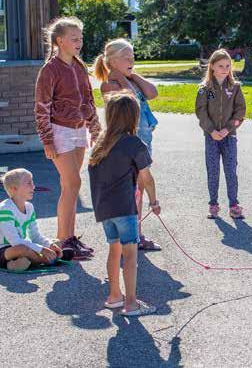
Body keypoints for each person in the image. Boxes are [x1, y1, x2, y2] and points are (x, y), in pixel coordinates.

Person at [34, 17, 101, 259]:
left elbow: (88, 99)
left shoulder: (79, 66)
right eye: (74, 39)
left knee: (70, 186)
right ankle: (63, 240)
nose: (79, 42)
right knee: (73, 183)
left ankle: (70, 238)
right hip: (59, 130)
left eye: (81, 38)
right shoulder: (49, 70)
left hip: (78, 130)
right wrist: (47, 140)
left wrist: (94, 126)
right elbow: (41, 107)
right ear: (59, 41)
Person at [88, 92, 161, 316]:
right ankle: (131, 303)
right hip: (124, 208)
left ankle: (114, 296)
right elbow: (146, 178)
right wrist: (153, 201)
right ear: (133, 118)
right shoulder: (133, 143)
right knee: (130, 253)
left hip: (104, 208)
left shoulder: (100, 143)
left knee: (114, 249)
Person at [93, 38, 161, 251]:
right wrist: (122, 79)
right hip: (125, 146)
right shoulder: (110, 85)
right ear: (111, 61)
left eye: (132, 57)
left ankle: (136, 234)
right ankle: (130, 237)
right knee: (131, 190)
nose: (131, 60)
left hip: (141, 142)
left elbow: (152, 93)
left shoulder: (131, 80)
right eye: (125, 58)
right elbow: (130, 101)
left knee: (138, 189)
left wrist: (131, 75)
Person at [0, 168, 73, 271]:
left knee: (56, 243)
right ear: (14, 188)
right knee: (22, 249)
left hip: (23, 247)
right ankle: (47, 260)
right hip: (1, 251)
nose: (34, 187)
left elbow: (35, 236)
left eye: (32, 182)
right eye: (28, 183)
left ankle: (19, 264)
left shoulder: (29, 207)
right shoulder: (5, 210)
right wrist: (43, 250)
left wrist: (50, 245)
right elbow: (15, 241)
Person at [194, 50, 247, 219]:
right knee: (213, 170)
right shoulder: (208, 89)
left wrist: (228, 129)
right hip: (212, 137)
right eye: (220, 66)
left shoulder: (234, 88)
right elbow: (202, 111)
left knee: (231, 170)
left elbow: (240, 111)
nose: (225, 69)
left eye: (227, 65)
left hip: (229, 137)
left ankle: (233, 204)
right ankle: (213, 204)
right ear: (212, 67)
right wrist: (211, 130)